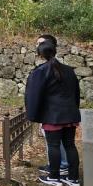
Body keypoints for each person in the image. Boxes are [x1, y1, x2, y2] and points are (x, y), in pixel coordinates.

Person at [25, 40, 81, 186]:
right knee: (70, 145)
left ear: (39, 55)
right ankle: (73, 178)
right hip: (70, 113)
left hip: (53, 115)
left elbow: (34, 95)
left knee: (54, 145)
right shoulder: (69, 70)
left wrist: (32, 114)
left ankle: (54, 176)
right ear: (55, 52)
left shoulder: (40, 71)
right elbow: (76, 93)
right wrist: (75, 108)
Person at [35, 34, 69, 177]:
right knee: (55, 141)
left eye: (40, 43)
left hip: (54, 112)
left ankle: (61, 165)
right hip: (55, 111)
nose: (37, 46)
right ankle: (57, 164)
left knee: (56, 141)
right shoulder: (54, 67)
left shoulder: (51, 68)